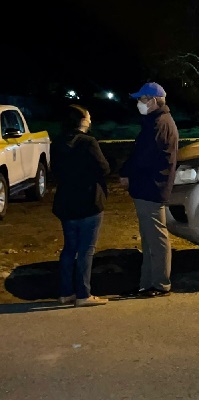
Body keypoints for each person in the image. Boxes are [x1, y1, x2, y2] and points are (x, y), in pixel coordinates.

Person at [120, 82, 179, 298]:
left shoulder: (159, 123)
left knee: (156, 238)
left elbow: (143, 157)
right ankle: (147, 284)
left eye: (142, 100)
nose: (139, 103)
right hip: (150, 186)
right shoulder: (157, 121)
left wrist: (126, 172)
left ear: (153, 101)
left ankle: (160, 284)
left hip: (152, 187)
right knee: (149, 238)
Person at [51, 104, 110, 307]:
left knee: (69, 248)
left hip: (66, 202)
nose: (91, 120)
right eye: (89, 117)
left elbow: (55, 171)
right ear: (83, 120)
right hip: (89, 201)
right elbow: (104, 168)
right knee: (86, 249)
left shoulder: (57, 142)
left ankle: (65, 293)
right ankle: (84, 294)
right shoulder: (89, 142)